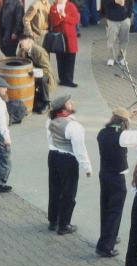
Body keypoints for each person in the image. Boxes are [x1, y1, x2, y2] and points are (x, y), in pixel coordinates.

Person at [96, 103, 137, 258]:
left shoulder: (102, 133)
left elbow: (121, 134)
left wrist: (127, 118)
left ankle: (106, 236)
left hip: (104, 174)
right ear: (123, 123)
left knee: (106, 208)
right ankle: (106, 246)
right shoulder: (122, 136)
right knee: (115, 211)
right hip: (116, 177)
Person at [47, 95, 92, 235]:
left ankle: (53, 220)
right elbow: (79, 149)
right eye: (69, 103)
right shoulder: (74, 126)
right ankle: (64, 224)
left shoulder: (50, 120)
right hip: (68, 160)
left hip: (53, 155)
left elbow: (50, 138)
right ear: (64, 108)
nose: (72, 103)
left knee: (54, 189)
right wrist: (87, 167)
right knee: (68, 193)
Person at [17, 34, 56, 114]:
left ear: (30, 42)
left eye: (23, 44)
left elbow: (47, 69)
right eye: (20, 44)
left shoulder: (39, 51)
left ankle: (46, 102)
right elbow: (19, 61)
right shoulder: (22, 50)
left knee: (42, 79)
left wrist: (34, 71)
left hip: (43, 74)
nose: (21, 46)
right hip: (31, 73)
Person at [49, 0, 80, 88]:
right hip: (59, 37)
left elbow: (76, 20)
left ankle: (69, 80)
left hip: (70, 37)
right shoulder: (53, 7)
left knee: (70, 58)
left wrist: (64, 16)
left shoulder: (71, 6)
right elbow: (53, 22)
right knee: (60, 58)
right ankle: (62, 79)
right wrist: (62, 18)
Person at [104, 0, 133, 66]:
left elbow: (131, 2)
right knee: (111, 40)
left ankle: (121, 58)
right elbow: (105, 3)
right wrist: (114, 1)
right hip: (112, 20)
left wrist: (129, 15)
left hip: (125, 19)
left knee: (124, 40)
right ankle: (111, 58)